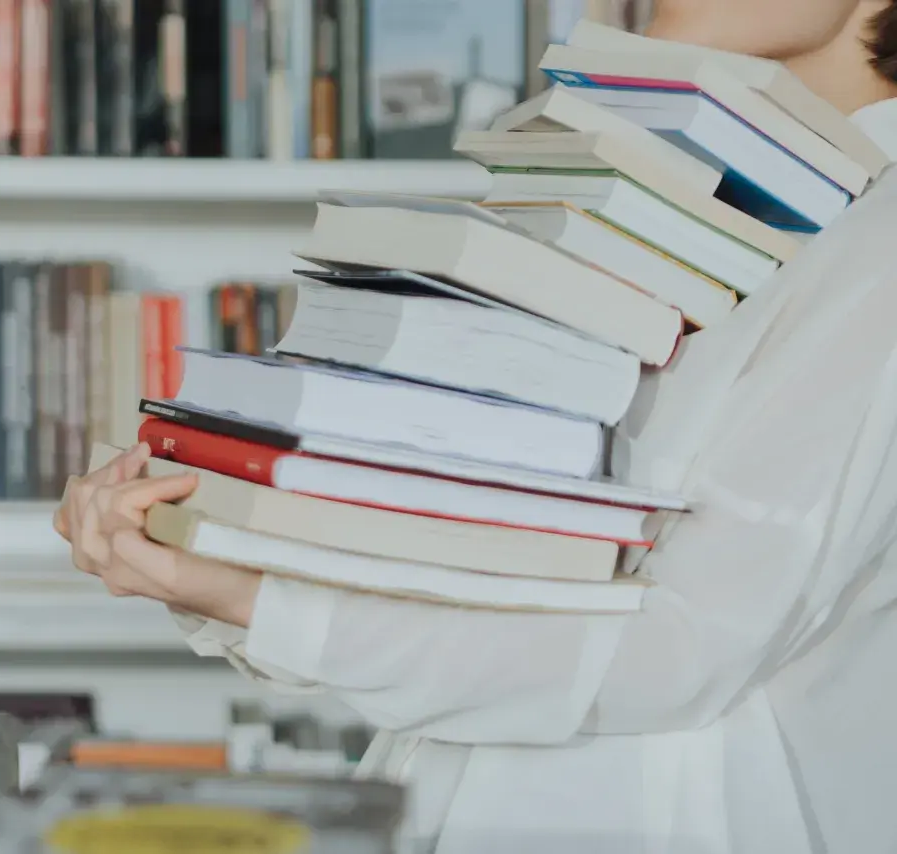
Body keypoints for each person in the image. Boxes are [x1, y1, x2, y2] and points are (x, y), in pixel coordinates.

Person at [54, 1, 897, 851]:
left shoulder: (880, 251)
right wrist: (206, 547)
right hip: (478, 793)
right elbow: (503, 558)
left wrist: (252, 597)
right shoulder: (725, 196)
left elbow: (681, 651)